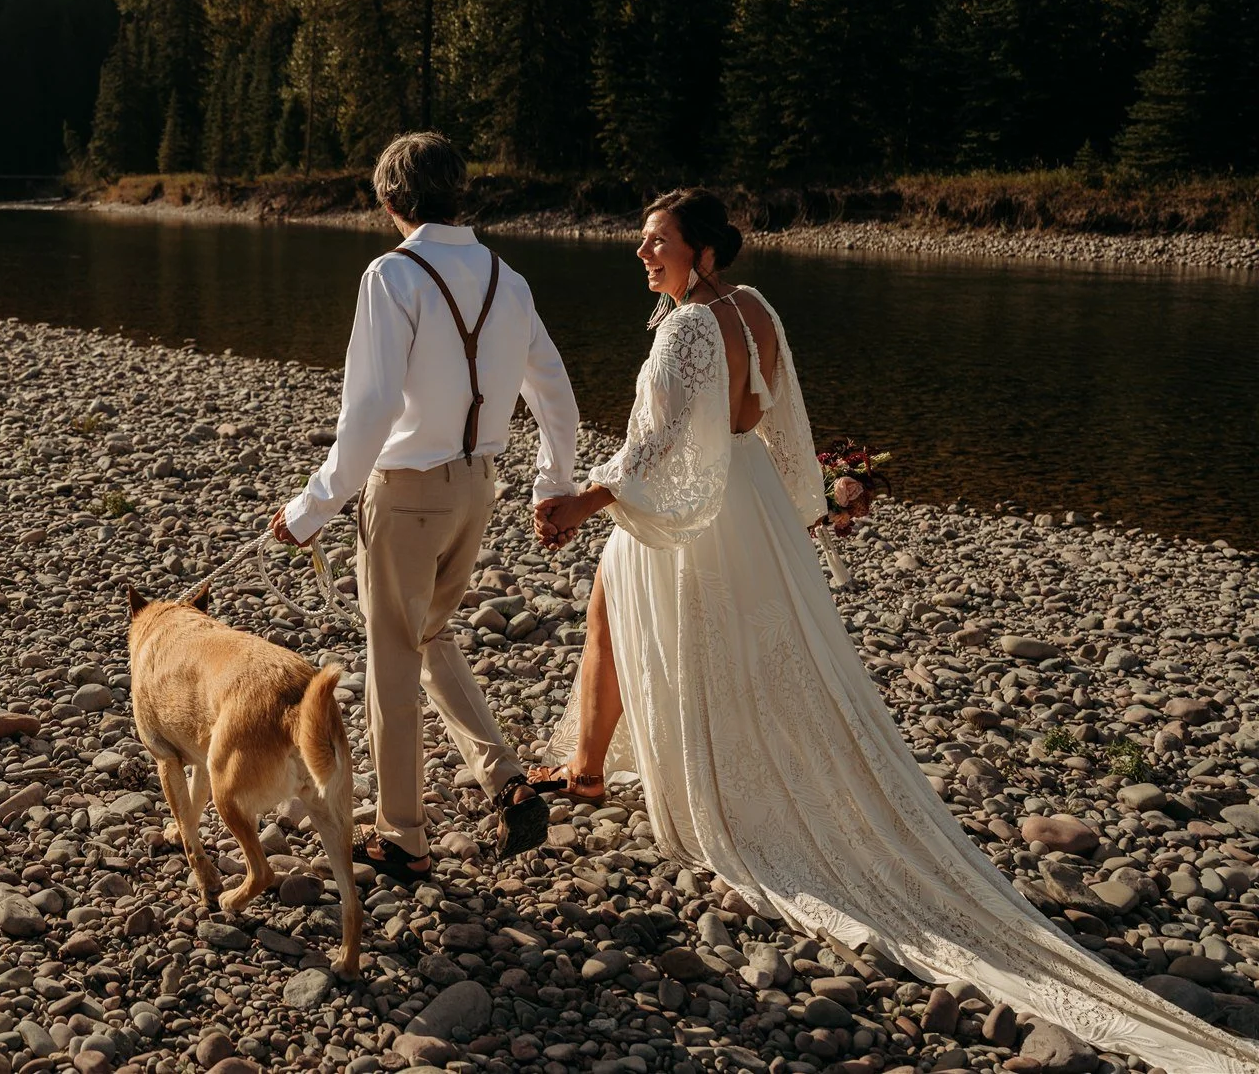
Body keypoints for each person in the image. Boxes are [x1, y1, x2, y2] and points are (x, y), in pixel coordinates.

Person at [531, 188, 1259, 1074]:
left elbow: (659, 448)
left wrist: (586, 497)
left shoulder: (687, 328)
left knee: (662, 610)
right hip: (751, 498)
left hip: (709, 509)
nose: (642, 255)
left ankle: (652, 774)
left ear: (704, 253)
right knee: (736, 640)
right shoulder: (755, 308)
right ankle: (592, 766)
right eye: (642, 242)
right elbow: (778, 415)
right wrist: (807, 502)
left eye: (657, 243)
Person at [270, 131, 581, 880]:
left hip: (406, 494)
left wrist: (311, 509)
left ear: (390, 202)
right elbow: (557, 393)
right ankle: (505, 778)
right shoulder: (508, 276)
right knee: (429, 632)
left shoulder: (391, 275)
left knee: (391, 665)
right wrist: (552, 483)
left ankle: (403, 837)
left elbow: (371, 408)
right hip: (479, 486)